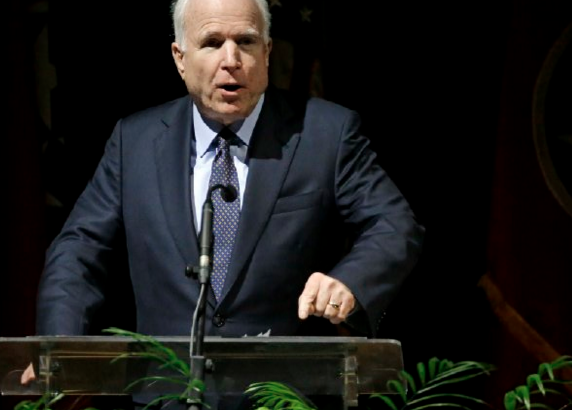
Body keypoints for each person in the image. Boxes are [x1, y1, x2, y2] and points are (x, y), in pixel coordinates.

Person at [36, 0, 423, 342]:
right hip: (169, 388)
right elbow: (79, 249)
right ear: (180, 58)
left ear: (267, 52)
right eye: (212, 43)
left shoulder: (325, 134)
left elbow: (394, 225)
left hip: (285, 388)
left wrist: (349, 282)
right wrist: (57, 346)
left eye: (246, 41)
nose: (231, 60)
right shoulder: (134, 142)